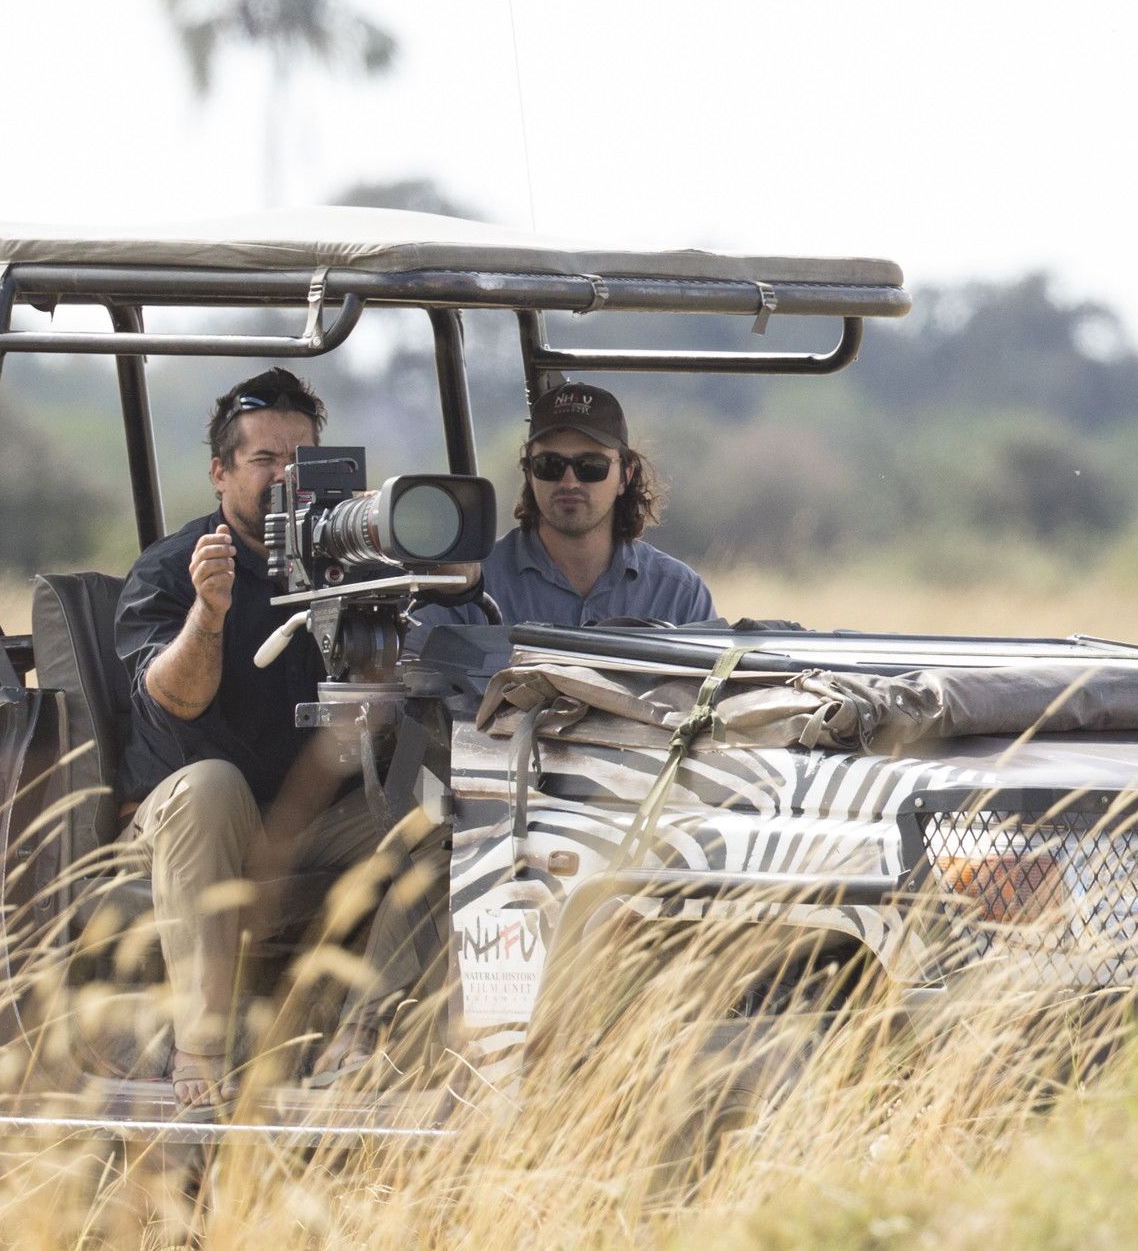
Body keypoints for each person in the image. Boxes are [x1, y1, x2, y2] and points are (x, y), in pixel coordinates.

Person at [112, 365, 409, 1082]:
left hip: (310, 822)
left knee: (443, 810)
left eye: (300, 462)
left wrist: (430, 578)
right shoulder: (174, 569)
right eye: (264, 459)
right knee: (211, 786)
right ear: (220, 473)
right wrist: (207, 615)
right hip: (194, 829)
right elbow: (173, 700)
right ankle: (201, 1059)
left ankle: (364, 1038)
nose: (284, 478)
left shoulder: (351, 569)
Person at [449, 378, 718, 630]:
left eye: (591, 466)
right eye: (549, 465)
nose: (569, 482)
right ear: (529, 473)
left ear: (625, 476)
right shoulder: (466, 586)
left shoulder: (680, 595)